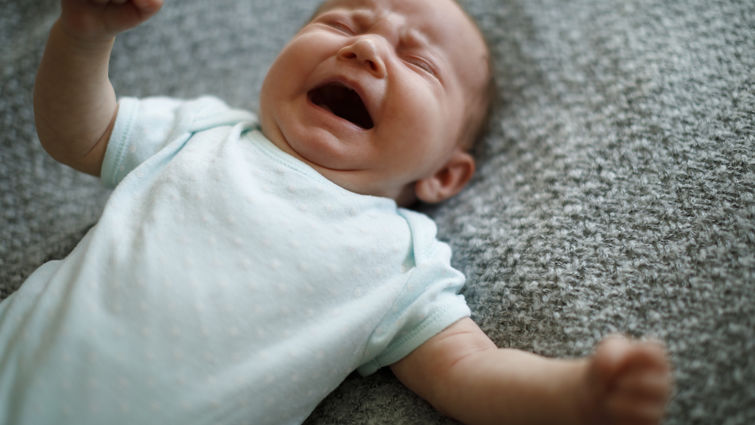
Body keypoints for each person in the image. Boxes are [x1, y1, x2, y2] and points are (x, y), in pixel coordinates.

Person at [1, 0, 672, 424]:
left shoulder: (400, 260)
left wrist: (576, 393)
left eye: (416, 59)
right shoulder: (206, 131)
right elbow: (79, 133)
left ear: (442, 173)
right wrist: (83, 38)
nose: (365, 46)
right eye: (339, 21)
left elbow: (471, 373)